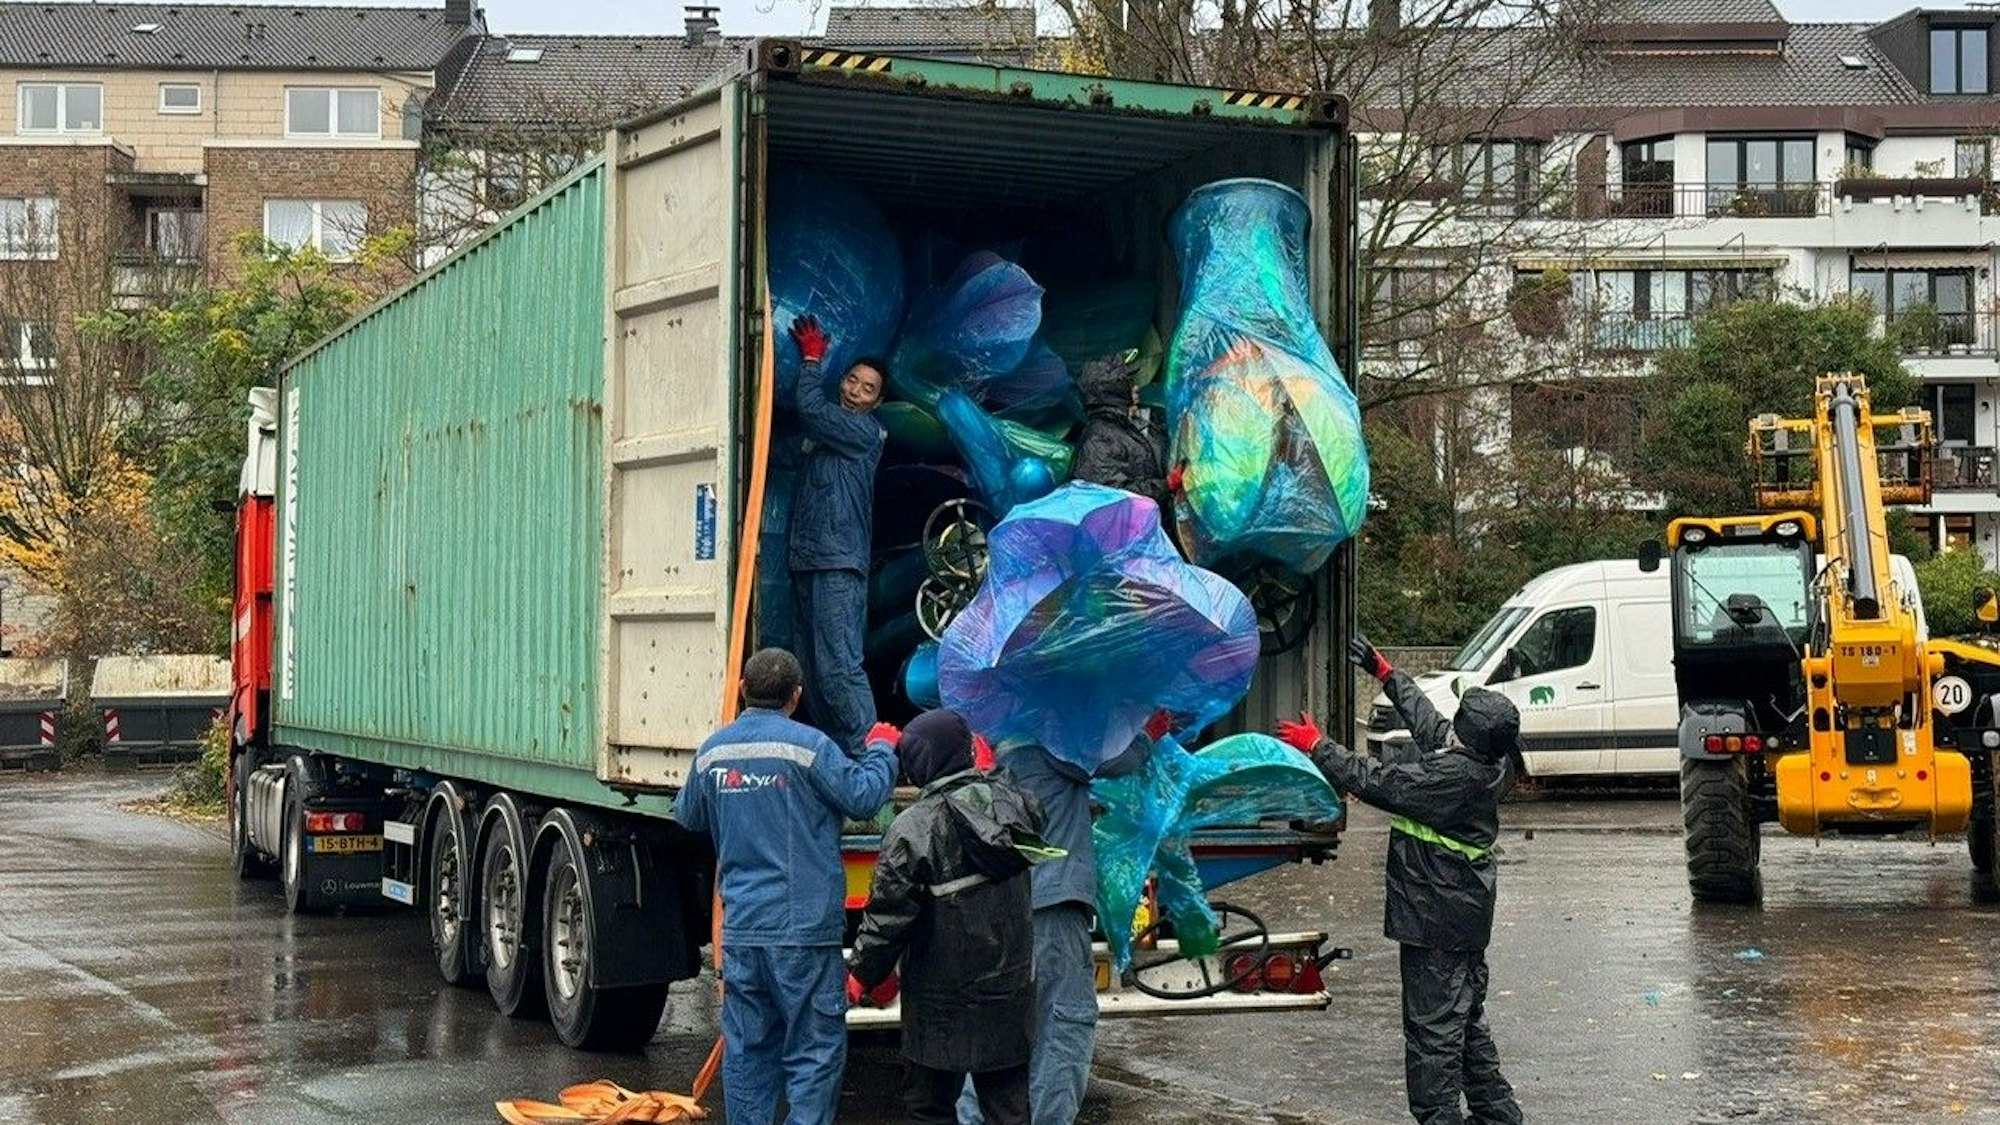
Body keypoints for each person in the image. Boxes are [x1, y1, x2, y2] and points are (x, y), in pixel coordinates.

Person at [1275, 634, 1524, 1125]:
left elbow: (1377, 781)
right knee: (1465, 1027)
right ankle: (1499, 1119)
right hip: (1459, 922)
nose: (1447, 729)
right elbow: (1430, 723)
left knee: (1433, 1038)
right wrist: (1386, 673)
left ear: (1465, 740)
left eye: (1457, 726)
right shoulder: (1488, 762)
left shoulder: (1450, 779)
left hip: (1437, 924)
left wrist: (1318, 746)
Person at [673, 647, 898, 1125]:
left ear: (742, 691)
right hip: (803, 931)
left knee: (749, 1053)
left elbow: (688, 814)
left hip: (744, 931)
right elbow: (863, 797)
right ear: (796, 695)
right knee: (813, 1052)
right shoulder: (810, 748)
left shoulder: (715, 751)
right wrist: (881, 748)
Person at [960, 709, 1170, 1125]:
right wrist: (1150, 733)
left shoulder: (992, 749)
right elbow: (1114, 761)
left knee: (991, 1031)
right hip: (1051, 911)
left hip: (996, 915)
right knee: (1061, 1029)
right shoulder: (1056, 739)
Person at [848, 709, 1057, 1125]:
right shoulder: (1014, 804)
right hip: (1008, 992)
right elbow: (1024, 805)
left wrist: (863, 974)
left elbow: (888, 918)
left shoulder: (914, 827)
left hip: (939, 1004)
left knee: (930, 1109)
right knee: (1009, 1110)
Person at [787, 314, 888, 755]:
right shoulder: (828, 437)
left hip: (838, 564)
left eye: (868, 389)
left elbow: (810, 408)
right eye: (851, 380)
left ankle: (872, 755)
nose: (855, 391)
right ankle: (839, 756)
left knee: (839, 668)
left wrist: (811, 361)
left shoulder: (863, 432)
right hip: (808, 559)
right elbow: (790, 446)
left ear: (877, 402)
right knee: (810, 668)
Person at [1070, 352, 1169, 512]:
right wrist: (1167, 485)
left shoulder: (1128, 422)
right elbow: (1119, 495)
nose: (1135, 388)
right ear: (1115, 393)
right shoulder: (1097, 443)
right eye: (1128, 384)